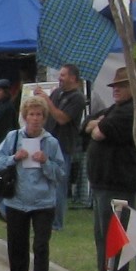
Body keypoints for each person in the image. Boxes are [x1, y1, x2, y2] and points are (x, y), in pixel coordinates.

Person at [0, 95, 69, 271]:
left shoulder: (51, 142)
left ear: (44, 118)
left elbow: (61, 174)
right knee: (18, 248)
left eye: (39, 115)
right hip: (17, 201)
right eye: (31, 114)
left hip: (43, 202)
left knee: (41, 247)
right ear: (24, 117)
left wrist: (46, 163)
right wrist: (14, 157)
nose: (35, 119)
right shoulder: (13, 137)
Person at [85, 68, 136, 271]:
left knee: (114, 233)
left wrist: (98, 124)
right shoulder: (118, 108)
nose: (116, 91)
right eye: (114, 87)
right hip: (103, 182)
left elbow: (99, 131)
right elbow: (88, 123)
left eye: (121, 86)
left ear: (134, 87)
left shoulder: (131, 111)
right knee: (102, 233)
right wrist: (96, 123)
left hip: (117, 182)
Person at [44, 63, 88, 218]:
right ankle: (46, 216)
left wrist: (46, 101)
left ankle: (57, 221)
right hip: (48, 143)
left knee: (59, 185)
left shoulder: (78, 98)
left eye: (63, 75)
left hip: (63, 146)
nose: (59, 78)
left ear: (73, 78)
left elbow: (62, 118)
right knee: (46, 182)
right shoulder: (56, 93)